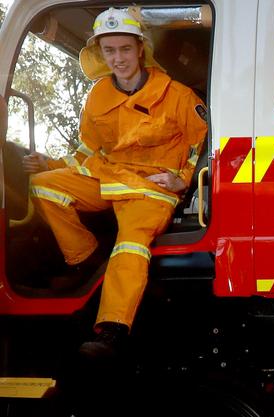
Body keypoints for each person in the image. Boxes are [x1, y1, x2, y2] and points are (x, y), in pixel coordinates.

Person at [23, 6, 207, 359]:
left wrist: (181, 180)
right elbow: (86, 150)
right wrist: (52, 163)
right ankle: (89, 262)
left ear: (140, 48)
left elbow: (206, 146)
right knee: (45, 186)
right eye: (110, 51)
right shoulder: (97, 97)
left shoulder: (178, 95)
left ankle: (111, 330)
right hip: (107, 177)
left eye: (124, 49)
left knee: (130, 244)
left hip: (152, 188)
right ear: (100, 53)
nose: (118, 58)